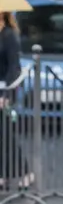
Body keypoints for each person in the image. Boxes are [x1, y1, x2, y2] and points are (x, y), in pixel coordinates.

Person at [0, 12, 33, 192]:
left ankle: (25, 172)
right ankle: (3, 175)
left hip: (4, 90)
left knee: (6, 134)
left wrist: (6, 95)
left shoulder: (9, 35)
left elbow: (14, 67)